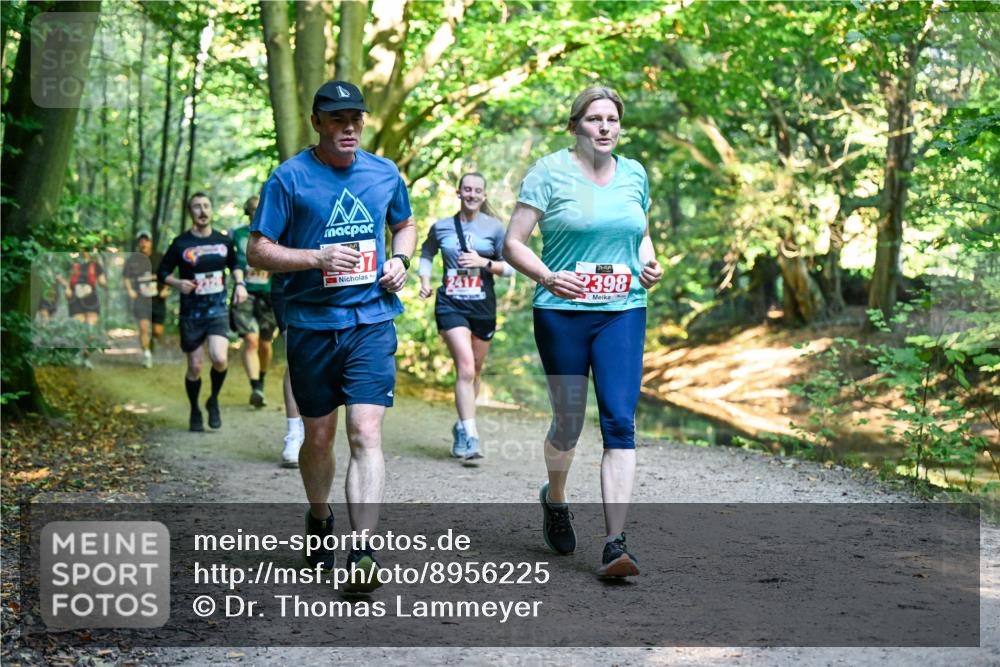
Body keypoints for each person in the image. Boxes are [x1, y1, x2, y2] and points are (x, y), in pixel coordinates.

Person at [247, 80, 416, 589]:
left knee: (365, 432)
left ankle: (362, 552)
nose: (349, 128)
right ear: (316, 122)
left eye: (356, 119)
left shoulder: (384, 173)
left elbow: (405, 225)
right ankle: (319, 516)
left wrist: (401, 260)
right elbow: (258, 250)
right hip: (311, 324)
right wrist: (315, 258)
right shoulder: (289, 178)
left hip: (371, 320)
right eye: (338, 119)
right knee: (318, 438)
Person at [503, 86, 663, 579]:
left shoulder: (634, 174)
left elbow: (640, 235)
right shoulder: (548, 172)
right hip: (562, 312)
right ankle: (555, 499)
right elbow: (513, 243)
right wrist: (548, 276)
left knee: (619, 422)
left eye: (612, 119)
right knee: (569, 422)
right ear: (575, 126)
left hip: (622, 310)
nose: (605, 127)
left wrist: (650, 263)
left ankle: (615, 543)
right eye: (594, 118)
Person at [418, 172, 512, 462]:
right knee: (466, 368)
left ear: (484, 195)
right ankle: (472, 436)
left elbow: (511, 268)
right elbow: (426, 253)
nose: (471, 194)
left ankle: (461, 424)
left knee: (476, 371)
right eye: (467, 189)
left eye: (477, 190)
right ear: (458, 193)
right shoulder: (442, 227)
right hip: (451, 304)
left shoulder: (495, 228)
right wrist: (424, 280)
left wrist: (484, 262)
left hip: (483, 306)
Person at [158, 192, 245, 432]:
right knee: (195, 367)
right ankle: (195, 408)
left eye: (206, 205)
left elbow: (235, 264)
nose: (202, 210)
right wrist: (177, 283)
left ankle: (213, 400)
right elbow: (162, 272)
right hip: (191, 313)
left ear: (212, 210)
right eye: (197, 206)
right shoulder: (180, 243)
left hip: (217, 310)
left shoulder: (223, 241)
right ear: (190, 212)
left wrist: (240, 284)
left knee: (219, 358)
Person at [230, 196, 278, 407]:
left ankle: (261, 381)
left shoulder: (276, 232)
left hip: (268, 295)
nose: (257, 212)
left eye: (261, 208)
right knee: (251, 340)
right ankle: (255, 387)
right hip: (245, 293)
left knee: (265, 345)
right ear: (247, 212)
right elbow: (232, 261)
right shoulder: (237, 234)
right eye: (253, 209)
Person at [270, 270, 305, 468]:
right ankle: (293, 434)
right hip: (294, 304)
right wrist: (283, 325)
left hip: (339, 304)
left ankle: (313, 430)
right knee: (296, 362)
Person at [123, 231, 166, 368]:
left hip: (157, 299)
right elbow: (126, 277)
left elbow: (168, 273)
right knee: (143, 328)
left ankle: (152, 343)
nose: (143, 243)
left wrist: (166, 288)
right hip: (141, 299)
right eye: (141, 241)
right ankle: (146, 355)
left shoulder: (159, 257)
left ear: (151, 242)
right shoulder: (133, 260)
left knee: (158, 331)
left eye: (146, 240)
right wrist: (130, 290)